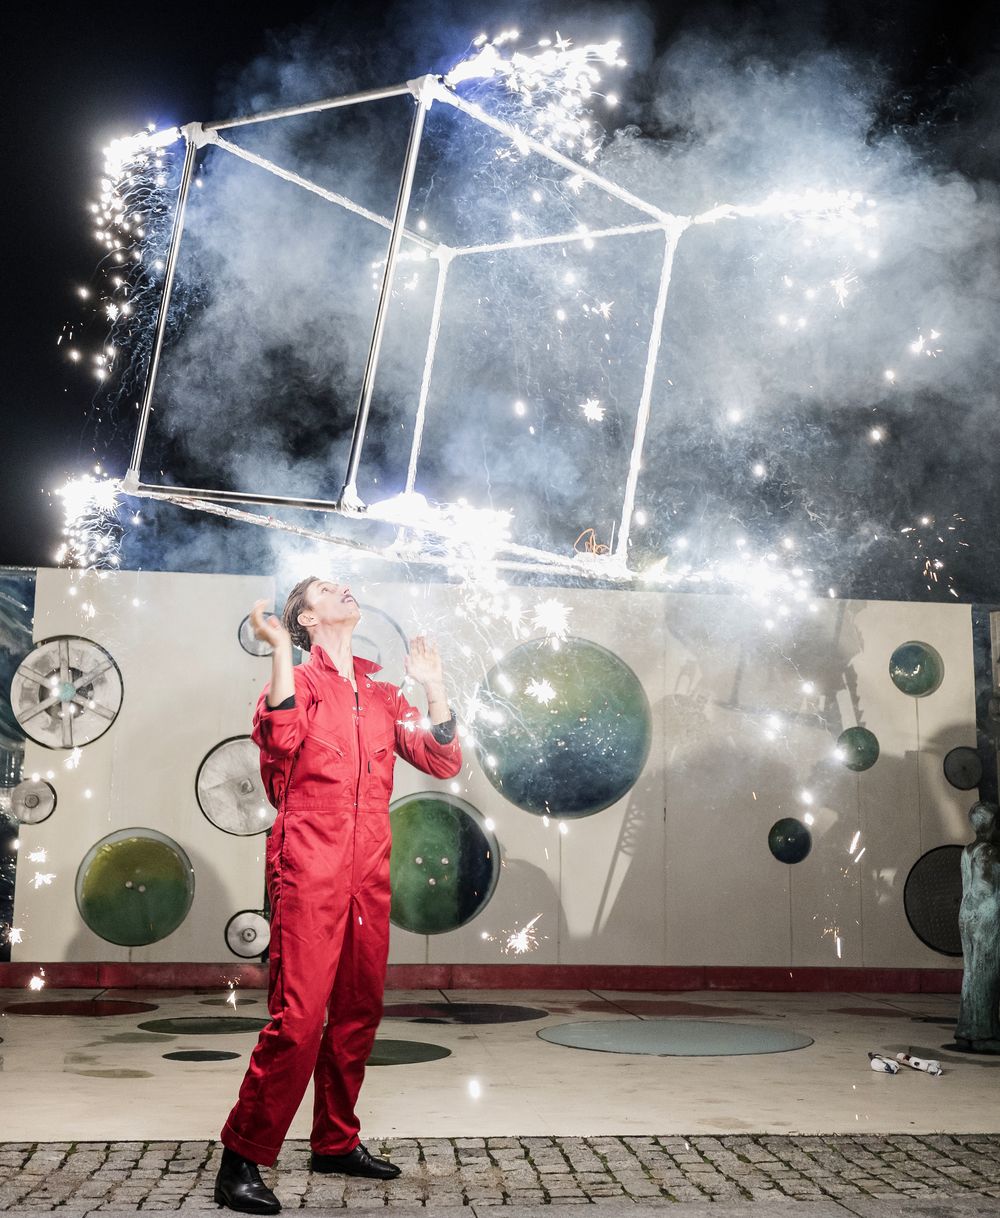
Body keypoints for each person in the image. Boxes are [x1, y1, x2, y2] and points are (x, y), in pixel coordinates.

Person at [214, 575, 462, 1213]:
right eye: (327, 589)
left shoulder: (382, 695)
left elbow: (442, 761)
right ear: (306, 618)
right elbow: (278, 741)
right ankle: (241, 1157)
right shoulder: (300, 682)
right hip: (308, 865)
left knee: (357, 1011)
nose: (344, 589)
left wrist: (433, 686)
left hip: (369, 870)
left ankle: (335, 1141)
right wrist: (278, 652)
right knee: (298, 1019)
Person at [955, 800, 1000, 1053]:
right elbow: (991, 886)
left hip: (967, 912)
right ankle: (985, 1033)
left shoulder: (967, 850)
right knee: (988, 974)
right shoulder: (990, 852)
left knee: (971, 973)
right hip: (989, 913)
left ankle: (967, 1030)